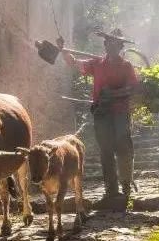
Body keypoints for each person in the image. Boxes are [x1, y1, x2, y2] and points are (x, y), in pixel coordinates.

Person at [57, 29, 139, 198]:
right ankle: (111, 190)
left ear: (120, 46)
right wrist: (62, 49)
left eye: (115, 43)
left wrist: (114, 93)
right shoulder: (97, 64)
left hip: (120, 113)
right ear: (105, 44)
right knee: (106, 150)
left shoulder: (126, 66)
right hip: (101, 113)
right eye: (109, 42)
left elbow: (133, 88)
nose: (111, 46)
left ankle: (125, 184)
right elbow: (74, 63)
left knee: (123, 146)